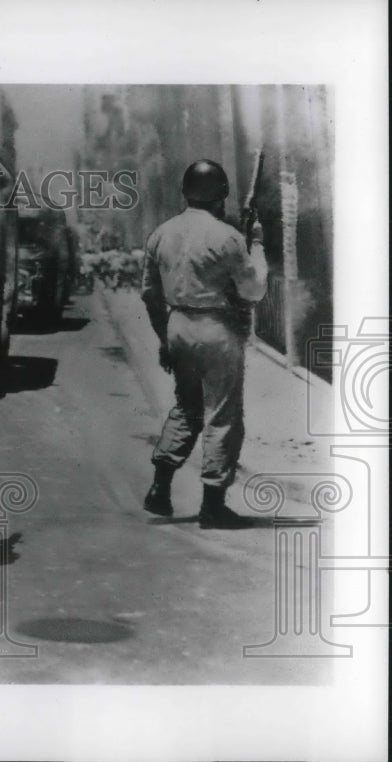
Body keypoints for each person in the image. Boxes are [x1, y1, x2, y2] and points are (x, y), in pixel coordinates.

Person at [140, 159, 269, 529]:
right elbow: (253, 290)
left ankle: (159, 489)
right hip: (216, 327)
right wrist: (256, 244)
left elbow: (149, 294)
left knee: (187, 407)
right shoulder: (226, 236)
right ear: (221, 196)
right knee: (222, 415)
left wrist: (164, 337)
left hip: (177, 324)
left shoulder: (161, 233)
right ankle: (212, 505)